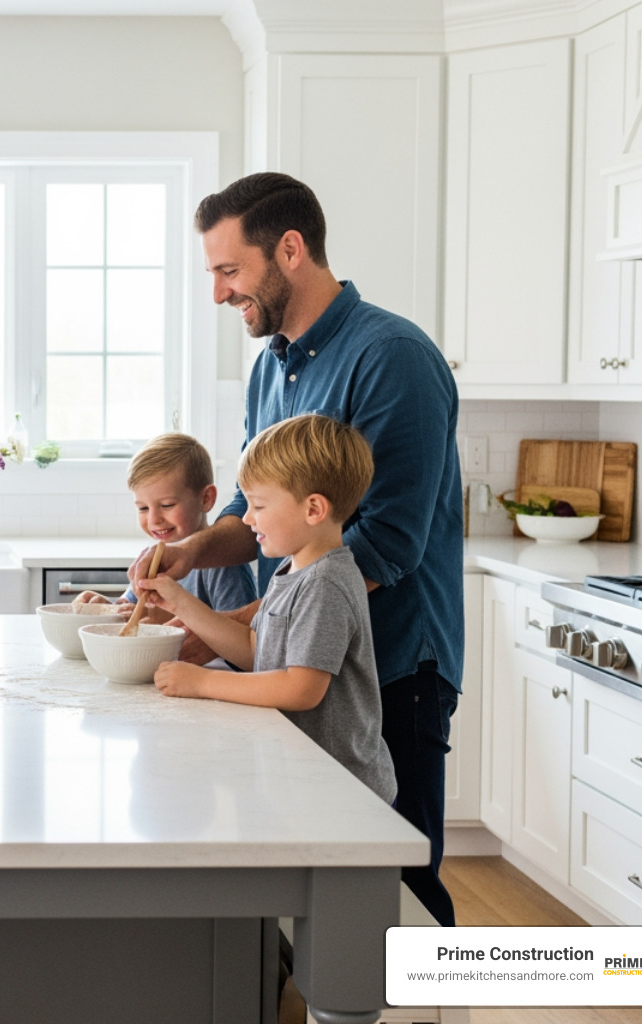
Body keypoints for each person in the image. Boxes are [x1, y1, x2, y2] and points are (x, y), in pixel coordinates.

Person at [140, 172, 463, 925]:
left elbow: (381, 546)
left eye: (229, 270)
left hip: (391, 670)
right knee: (315, 884)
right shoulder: (271, 367)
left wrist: (238, 633)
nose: (219, 294)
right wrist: (189, 552)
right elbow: (246, 516)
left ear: (289, 250)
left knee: (398, 887)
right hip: (296, 661)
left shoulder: (392, 357)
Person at [135, 415, 396, 805]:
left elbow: (300, 688)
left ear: (313, 509)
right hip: (305, 777)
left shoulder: (326, 583)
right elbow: (257, 649)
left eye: (258, 504)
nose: (246, 518)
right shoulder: (294, 569)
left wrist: (201, 683)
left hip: (342, 788)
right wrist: (179, 601)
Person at [74, 432, 255, 618]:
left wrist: (161, 619)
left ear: (206, 499)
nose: (153, 520)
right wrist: (109, 607)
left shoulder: (225, 567)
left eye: (167, 505)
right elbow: (131, 609)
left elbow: (239, 633)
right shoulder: (153, 560)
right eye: (143, 508)